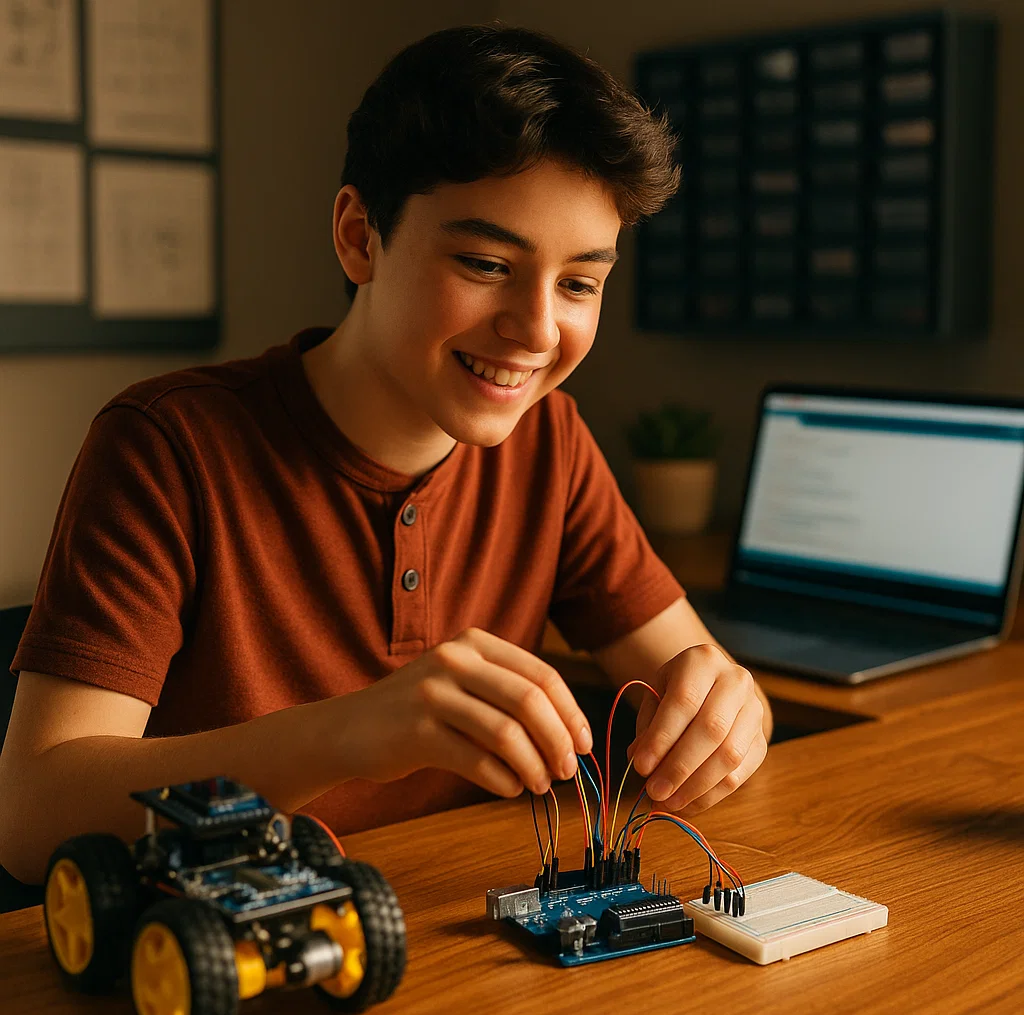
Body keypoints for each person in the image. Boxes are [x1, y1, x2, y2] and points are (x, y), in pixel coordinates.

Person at [0, 24, 770, 885]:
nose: (539, 329)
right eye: (485, 263)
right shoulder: (166, 445)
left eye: (580, 282)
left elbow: (698, 680)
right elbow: (33, 814)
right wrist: (350, 733)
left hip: (467, 947)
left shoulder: (551, 444)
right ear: (359, 237)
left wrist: (736, 710)